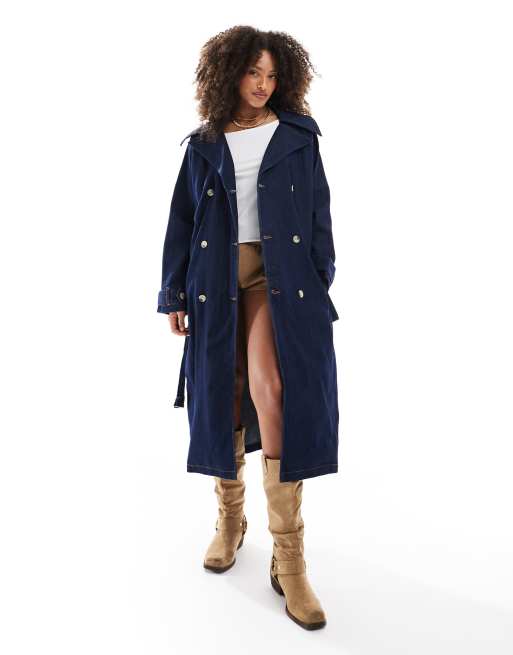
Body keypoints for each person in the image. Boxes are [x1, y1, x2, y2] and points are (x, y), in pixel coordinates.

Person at [157, 26, 339, 631]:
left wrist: (318, 280)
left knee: (273, 389)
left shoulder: (297, 137)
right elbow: (181, 220)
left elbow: (319, 212)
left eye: (271, 75)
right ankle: (230, 521)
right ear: (229, 73)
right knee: (222, 393)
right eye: (253, 72)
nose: (263, 84)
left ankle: (291, 560)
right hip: (213, 280)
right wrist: (173, 292)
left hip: (276, 280)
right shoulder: (204, 144)